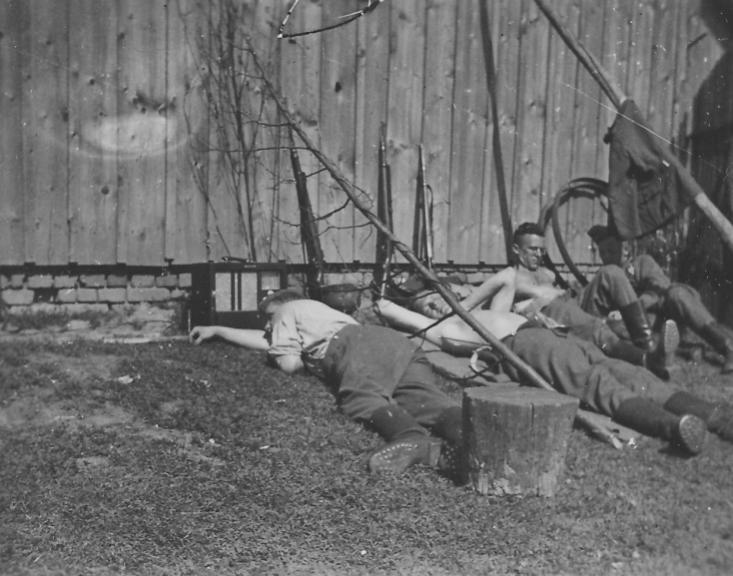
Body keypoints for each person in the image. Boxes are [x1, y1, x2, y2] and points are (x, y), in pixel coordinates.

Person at [375, 277, 733, 456]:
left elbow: (507, 277)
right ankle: (674, 428)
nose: (439, 303)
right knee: (596, 383)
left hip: (554, 334)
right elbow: (388, 309)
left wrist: (462, 300)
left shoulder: (473, 311)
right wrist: (436, 309)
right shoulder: (445, 329)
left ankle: (716, 417)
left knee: (633, 374)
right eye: (430, 302)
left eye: (440, 296)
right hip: (523, 345)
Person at [189, 289, 463, 477]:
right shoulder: (319, 314)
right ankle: (468, 432)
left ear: (277, 309)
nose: (268, 328)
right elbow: (267, 341)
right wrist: (218, 330)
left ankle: (412, 438)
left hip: (353, 346)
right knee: (423, 398)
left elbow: (288, 363)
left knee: (362, 396)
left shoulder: (285, 310)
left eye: (269, 322)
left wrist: (294, 358)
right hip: (395, 342)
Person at [463, 222, 679, 379]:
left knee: (612, 272)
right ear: (516, 250)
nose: (538, 255)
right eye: (532, 250)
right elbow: (479, 303)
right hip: (548, 311)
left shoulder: (546, 273)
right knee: (597, 329)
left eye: (541, 250)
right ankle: (650, 360)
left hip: (573, 301)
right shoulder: (510, 277)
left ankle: (647, 345)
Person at [588, 224, 733, 374]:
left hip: (664, 313)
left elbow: (660, 287)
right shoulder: (605, 277)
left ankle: (727, 346)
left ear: (625, 250)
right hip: (641, 327)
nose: (606, 256)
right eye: (602, 253)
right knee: (611, 326)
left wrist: (630, 308)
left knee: (677, 294)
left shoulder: (641, 263)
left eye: (611, 251)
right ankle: (680, 351)